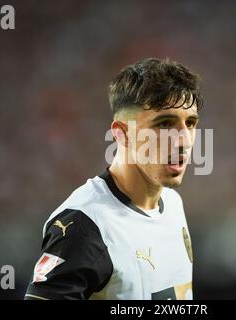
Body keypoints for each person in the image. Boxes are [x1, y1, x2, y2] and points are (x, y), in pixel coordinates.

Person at [24, 58, 203, 300]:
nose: (185, 140)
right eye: (164, 124)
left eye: (190, 123)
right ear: (122, 134)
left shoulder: (172, 204)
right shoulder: (85, 225)